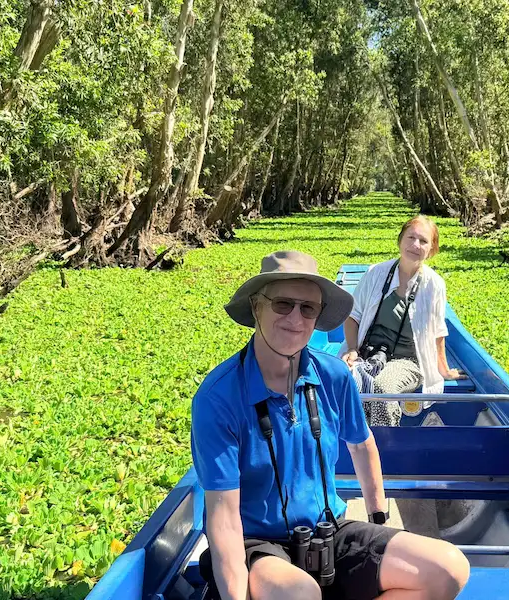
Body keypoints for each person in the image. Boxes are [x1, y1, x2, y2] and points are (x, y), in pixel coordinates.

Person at [191, 250, 470, 600]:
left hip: (328, 530)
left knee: (448, 568)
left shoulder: (334, 375)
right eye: (283, 304)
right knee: (300, 593)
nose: (296, 318)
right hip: (258, 543)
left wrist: (377, 517)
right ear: (256, 306)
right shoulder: (219, 397)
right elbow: (224, 520)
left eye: (308, 308)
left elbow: (361, 443)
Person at [339, 216, 466, 427]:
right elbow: (354, 316)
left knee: (382, 388)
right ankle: (355, 445)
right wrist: (352, 349)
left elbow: (437, 333)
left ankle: (386, 444)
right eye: (411, 237)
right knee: (344, 382)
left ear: (432, 250)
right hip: (368, 352)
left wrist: (444, 370)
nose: (415, 245)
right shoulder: (375, 273)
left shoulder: (434, 285)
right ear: (400, 240)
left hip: (409, 361)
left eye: (423, 241)